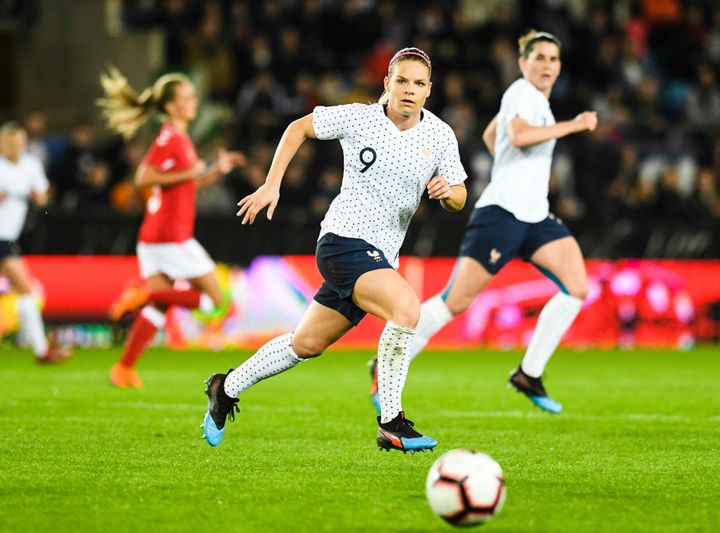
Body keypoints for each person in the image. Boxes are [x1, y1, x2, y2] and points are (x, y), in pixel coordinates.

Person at [201, 47, 468, 452]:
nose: (409, 90)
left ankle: (225, 387)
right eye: (401, 81)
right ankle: (391, 422)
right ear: (387, 84)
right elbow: (297, 128)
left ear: (429, 91)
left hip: (379, 258)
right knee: (407, 310)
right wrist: (272, 184)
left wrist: (449, 193)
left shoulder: (440, 135)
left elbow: (461, 194)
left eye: (418, 84)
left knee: (306, 344)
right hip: (342, 241)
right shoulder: (359, 118)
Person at [370, 30, 597, 414]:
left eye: (553, 59)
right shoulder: (522, 92)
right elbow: (518, 135)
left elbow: (494, 135)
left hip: (535, 215)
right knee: (454, 301)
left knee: (577, 286)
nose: (546, 65)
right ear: (523, 63)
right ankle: (389, 361)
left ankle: (529, 373)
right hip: (502, 214)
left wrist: (510, 165)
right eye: (539, 58)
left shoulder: (535, 100)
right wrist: (574, 125)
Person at [97, 68, 245, 388]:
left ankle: (123, 368)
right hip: (170, 236)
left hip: (154, 237)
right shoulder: (169, 138)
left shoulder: (178, 138)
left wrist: (214, 171)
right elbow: (143, 179)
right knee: (216, 301)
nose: (193, 102)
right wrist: (190, 171)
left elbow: (186, 183)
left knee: (160, 305)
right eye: (187, 98)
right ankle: (143, 292)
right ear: (170, 106)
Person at [0, 122, 70, 363]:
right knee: (25, 290)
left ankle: (41, 350)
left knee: (25, 290)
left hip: (8, 239)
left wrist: (40, 196)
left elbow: (43, 197)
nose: (14, 146)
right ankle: (41, 351)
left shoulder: (30, 165)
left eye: (18, 142)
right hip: (2, 240)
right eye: (9, 142)